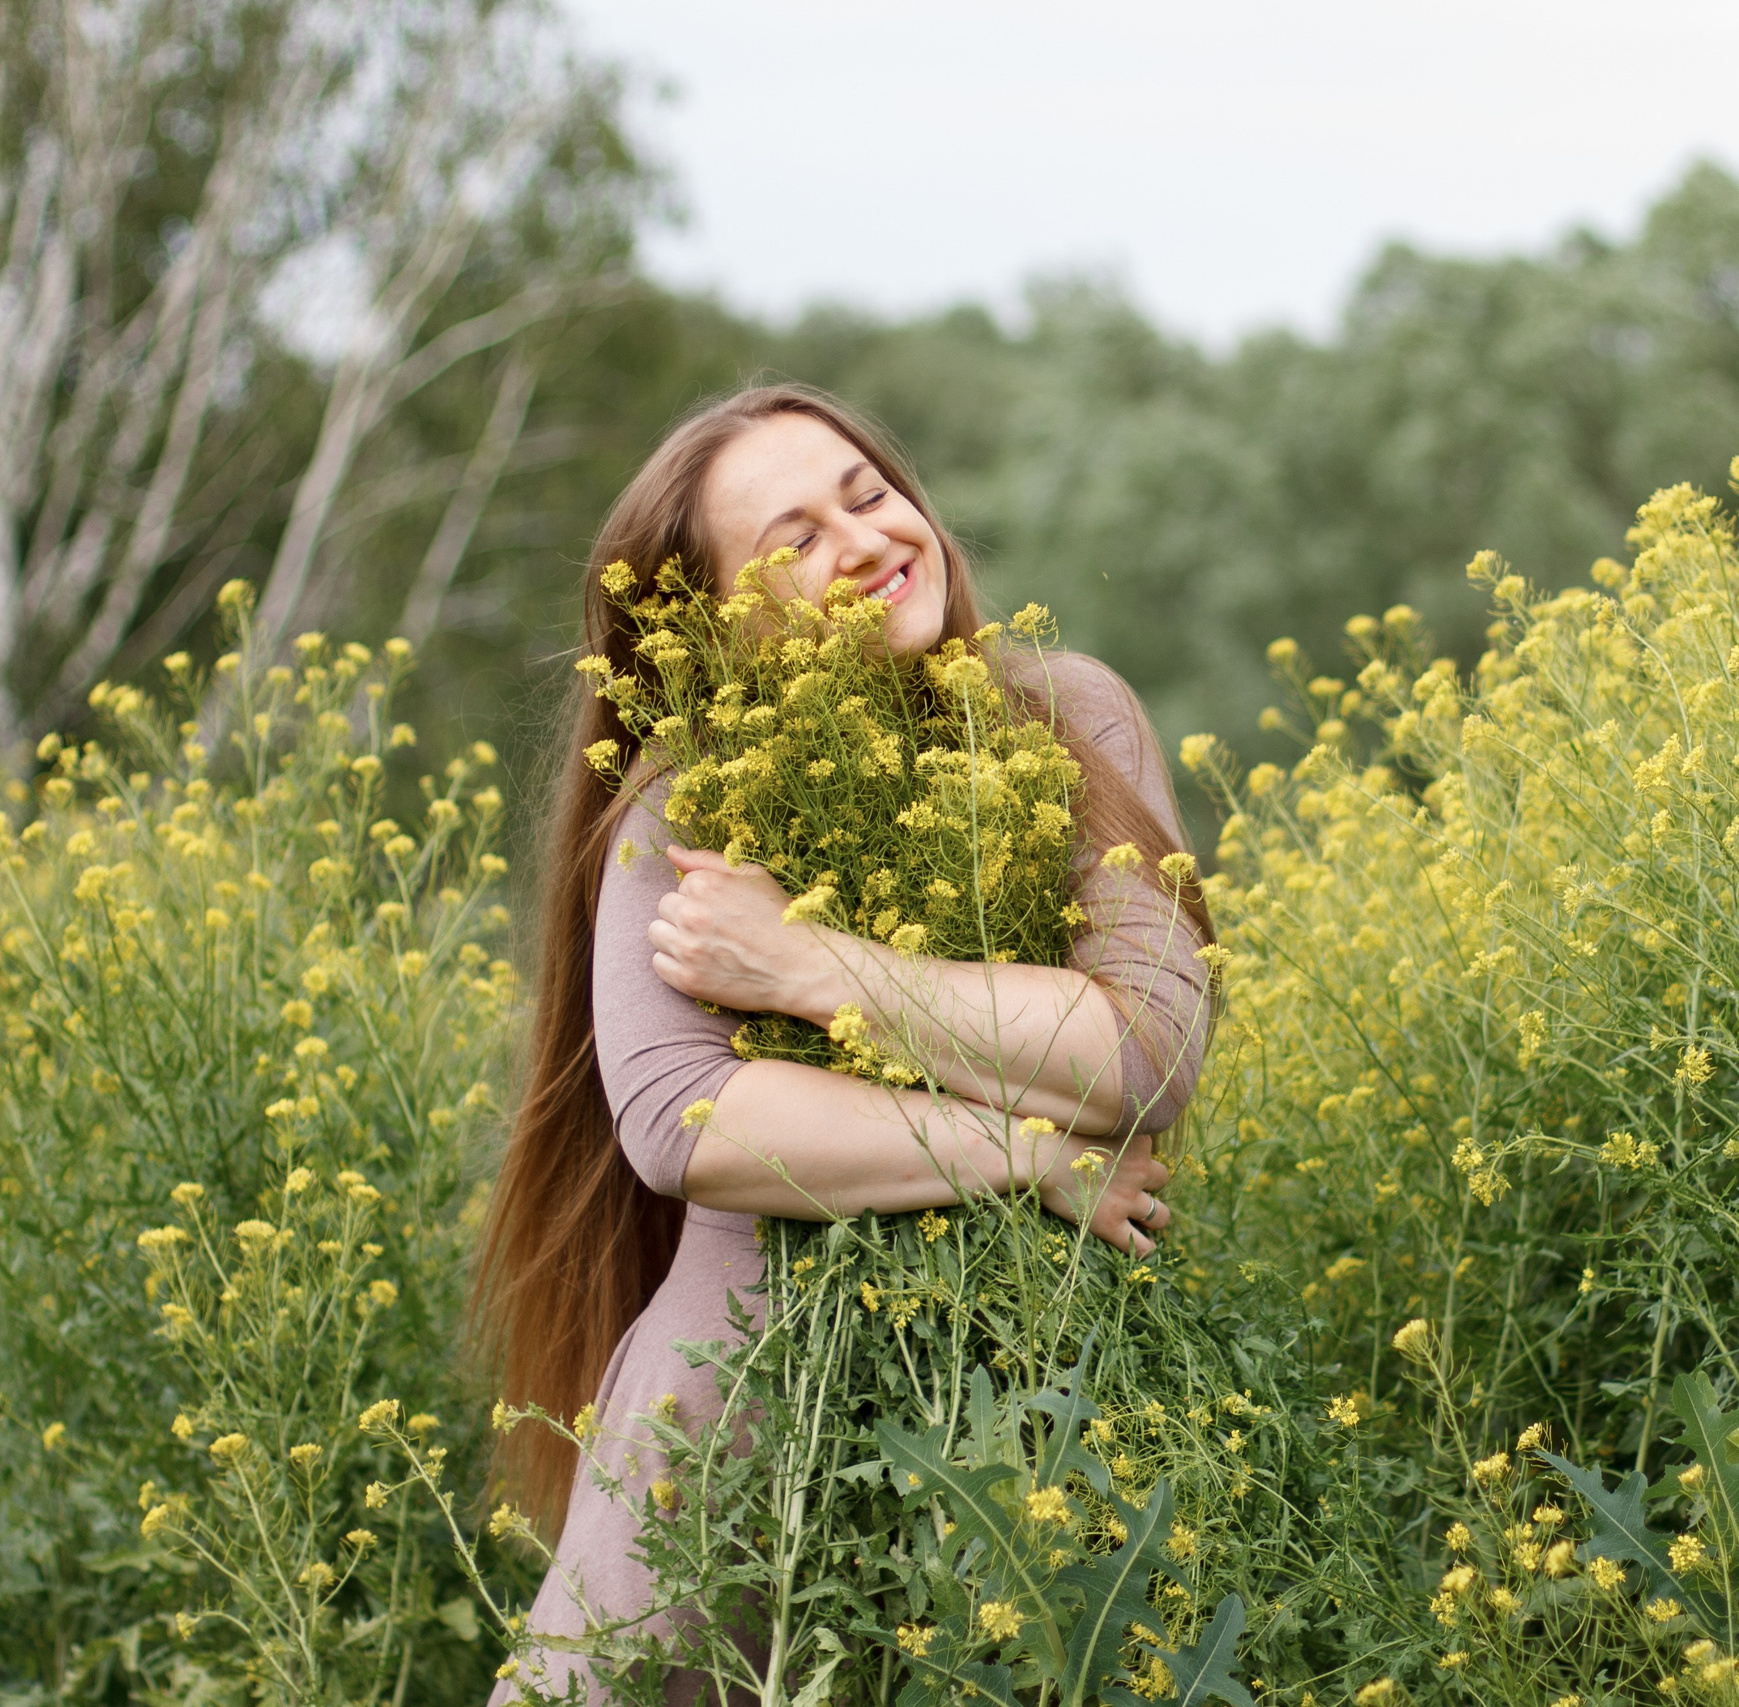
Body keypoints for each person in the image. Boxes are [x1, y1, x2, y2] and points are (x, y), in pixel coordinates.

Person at [473, 384, 1213, 1702]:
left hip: (1028, 1465)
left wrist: (818, 967)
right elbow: (686, 1123)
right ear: (706, 622)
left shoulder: (1067, 719)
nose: (867, 541)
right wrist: (1030, 1154)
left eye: (866, 495)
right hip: (731, 1474)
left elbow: (1142, 1053)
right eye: (794, 541)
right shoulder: (691, 798)